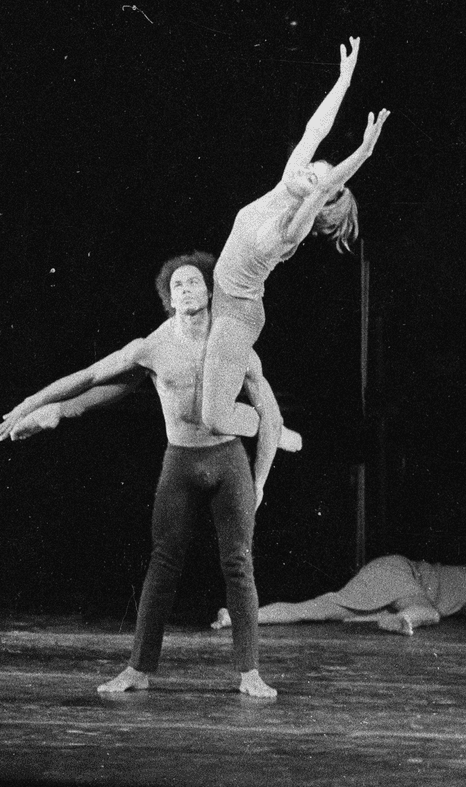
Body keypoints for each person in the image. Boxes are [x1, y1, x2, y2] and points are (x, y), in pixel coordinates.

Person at [0, 252, 288, 698]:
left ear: (211, 290)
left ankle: (250, 671)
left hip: (228, 462)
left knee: (239, 563)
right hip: (181, 461)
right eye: (178, 286)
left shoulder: (234, 344)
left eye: (194, 282)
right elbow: (91, 377)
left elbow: (269, 417)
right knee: (163, 563)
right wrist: (34, 407)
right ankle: (138, 669)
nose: (187, 290)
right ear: (168, 300)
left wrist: (261, 479)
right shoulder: (152, 346)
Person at [199, 35, 390, 441]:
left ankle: (278, 431)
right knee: (218, 391)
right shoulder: (289, 185)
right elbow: (314, 130)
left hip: (238, 313)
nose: (309, 169)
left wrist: (363, 154)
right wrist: (344, 79)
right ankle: (259, 398)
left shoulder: (294, 229)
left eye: (318, 175)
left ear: (319, 199)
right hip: (225, 293)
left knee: (213, 419)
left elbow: (325, 188)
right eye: (313, 166)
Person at [210, 554, 466, 635]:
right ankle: (405, 621)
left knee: (320, 608)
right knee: (428, 612)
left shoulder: (463, 585)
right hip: (397, 574)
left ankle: (237, 615)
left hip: (388, 575)